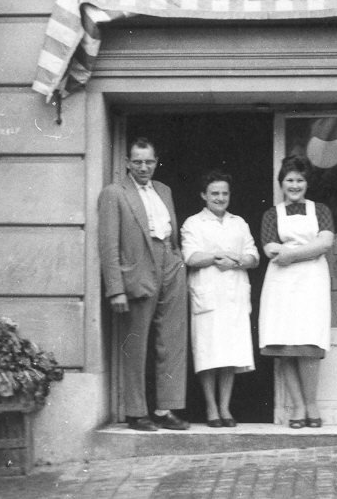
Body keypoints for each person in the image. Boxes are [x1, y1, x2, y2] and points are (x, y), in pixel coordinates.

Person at [98, 137, 189, 431]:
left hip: (170, 264)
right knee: (135, 345)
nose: (143, 167)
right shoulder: (114, 193)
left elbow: (171, 234)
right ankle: (137, 413)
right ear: (127, 163)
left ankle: (166, 409)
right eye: (137, 161)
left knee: (172, 341)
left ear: (155, 162)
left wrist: (176, 260)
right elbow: (108, 244)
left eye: (149, 161)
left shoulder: (164, 190)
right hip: (138, 269)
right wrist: (116, 288)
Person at [258, 155, 334, 429]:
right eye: (289, 180)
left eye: (299, 180)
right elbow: (270, 249)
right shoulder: (271, 215)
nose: (294, 185)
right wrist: (303, 251)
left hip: (312, 282)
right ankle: (298, 408)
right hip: (281, 284)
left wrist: (291, 254)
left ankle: (312, 404)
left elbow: (325, 243)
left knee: (309, 344)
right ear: (281, 183)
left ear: (307, 183)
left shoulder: (321, 210)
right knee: (285, 345)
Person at [181, 170, 259, 428]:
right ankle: (211, 408)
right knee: (208, 354)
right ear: (204, 195)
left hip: (234, 294)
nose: (220, 197)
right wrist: (216, 257)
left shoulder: (239, 222)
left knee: (230, 355)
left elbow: (253, 255)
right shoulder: (193, 223)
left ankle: (225, 408)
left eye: (224, 193)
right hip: (208, 294)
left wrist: (236, 261)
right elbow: (190, 256)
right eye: (214, 193)